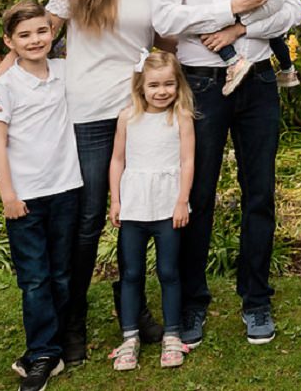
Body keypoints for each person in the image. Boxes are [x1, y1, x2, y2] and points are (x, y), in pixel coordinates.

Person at [0, 0, 167, 364]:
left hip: (136, 110)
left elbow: (165, 41)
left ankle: (135, 309)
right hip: (87, 111)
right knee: (88, 220)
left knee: (140, 210)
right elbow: (39, 33)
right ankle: (73, 321)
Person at [150, 0, 301, 349]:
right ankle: (193, 302)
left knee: (259, 193)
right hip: (200, 83)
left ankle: (256, 298)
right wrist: (228, 9)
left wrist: (241, 28)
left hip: (257, 80)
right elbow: (166, 16)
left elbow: (294, 9)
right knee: (197, 195)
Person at [0, 0, 83, 391]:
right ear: (9, 41)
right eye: (24, 35)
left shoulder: (64, 72)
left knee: (61, 274)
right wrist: (8, 194)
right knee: (34, 279)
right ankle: (42, 354)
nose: (35, 40)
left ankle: (52, 347)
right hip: (25, 198)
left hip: (66, 189)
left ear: (53, 33)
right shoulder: (4, 87)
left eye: (42, 31)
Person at [107, 51, 196, 371]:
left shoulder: (181, 117)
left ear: (178, 85)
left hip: (167, 207)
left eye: (169, 84)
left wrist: (182, 200)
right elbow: (118, 160)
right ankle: (129, 337)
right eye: (154, 85)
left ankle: (172, 335)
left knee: (169, 272)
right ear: (140, 86)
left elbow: (187, 161)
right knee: (131, 273)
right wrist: (115, 200)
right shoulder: (127, 117)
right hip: (133, 207)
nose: (162, 91)